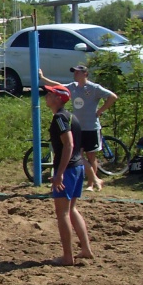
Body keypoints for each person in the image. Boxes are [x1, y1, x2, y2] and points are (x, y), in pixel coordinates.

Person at [39, 65, 117, 191]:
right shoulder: (73, 86)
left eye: (77, 72)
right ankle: (92, 179)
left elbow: (112, 96)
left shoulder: (94, 88)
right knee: (77, 155)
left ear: (85, 74)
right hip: (77, 127)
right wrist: (43, 78)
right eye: (74, 72)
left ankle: (91, 184)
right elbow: (58, 86)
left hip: (91, 126)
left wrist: (100, 111)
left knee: (91, 156)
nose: (75, 74)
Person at [44, 85, 94, 266]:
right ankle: (86, 249)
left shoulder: (59, 118)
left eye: (50, 93)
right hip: (78, 167)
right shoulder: (71, 116)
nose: (46, 95)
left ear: (58, 98)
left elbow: (69, 145)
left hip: (69, 169)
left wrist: (60, 173)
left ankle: (67, 257)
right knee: (72, 210)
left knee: (62, 213)